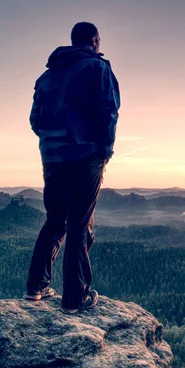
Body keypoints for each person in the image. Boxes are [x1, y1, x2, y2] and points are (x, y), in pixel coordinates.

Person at [25, 21, 120, 314]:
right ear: (94, 41)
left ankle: (36, 287)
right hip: (85, 155)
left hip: (52, 158)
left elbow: (35, 120)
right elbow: (109, 113)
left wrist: (53, 142)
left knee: (55, 220)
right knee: (80, 223)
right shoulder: (98, 69)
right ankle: (74, 298)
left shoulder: (46, 76)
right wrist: (104, 152)